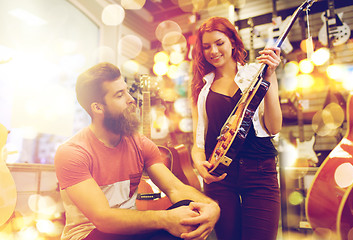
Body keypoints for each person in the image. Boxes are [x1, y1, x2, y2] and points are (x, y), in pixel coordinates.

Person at [54, 62, 220, 240]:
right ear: (98, 107)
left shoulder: (139, 143)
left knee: (193, 215)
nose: (131, 99)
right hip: (91, 234)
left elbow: (175, 188)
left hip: (131, 232)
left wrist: (211, 207)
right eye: (119, 95)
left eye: (126, 91)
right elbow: (103, 219)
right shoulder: (72, 152)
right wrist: (166, 218)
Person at [190, 17, 282, 240]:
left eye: (219, 42)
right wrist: (200, 167)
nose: (213, 51)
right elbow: (198, 144)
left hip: (260, 173)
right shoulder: (201, 86)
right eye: (206, 46)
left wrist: (269, 78)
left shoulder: (258, 73)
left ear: (232, 41)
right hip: (220, 177)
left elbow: (274, 127)